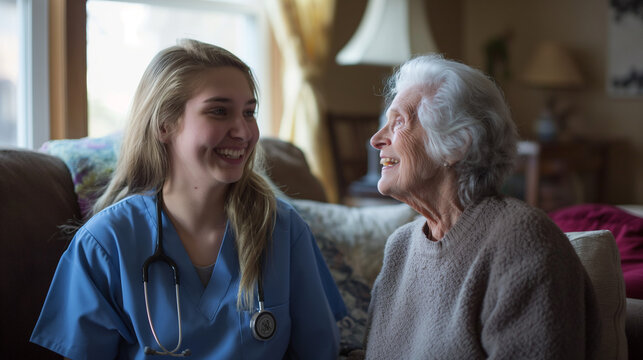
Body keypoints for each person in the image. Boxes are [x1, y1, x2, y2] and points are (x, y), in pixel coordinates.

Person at [30, 39, 345, 359]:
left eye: (249, 112)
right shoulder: (105, 243)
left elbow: (320, 351)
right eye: (219, 111)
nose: (243, 131)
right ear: (164, 125)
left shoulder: (281, 229)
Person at [363, 54, 600, 359]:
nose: (376, 139)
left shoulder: (523, 242)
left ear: (456, 144)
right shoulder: (400, 247)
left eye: (398, 123)